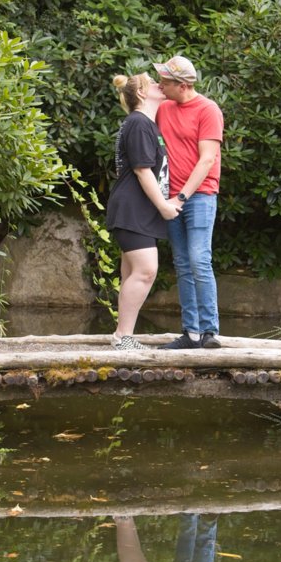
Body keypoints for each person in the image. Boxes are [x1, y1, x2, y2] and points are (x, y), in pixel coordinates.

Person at [106, 73, 182, 351]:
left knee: (132, 273)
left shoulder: (147, 124)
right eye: (151, 83)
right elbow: (141, 169)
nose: (159, 85)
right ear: (141, 94)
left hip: (137, 211)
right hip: (132, 209)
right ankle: (122, 337)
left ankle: (123, 335)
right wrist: (163, 206)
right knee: (146, 270)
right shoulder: (138, 123)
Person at [153, 55, 224, 350]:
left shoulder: (208, 110)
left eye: (165, 81)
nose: (160, 85)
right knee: (182, 263)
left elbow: (207, 159)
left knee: (199, 259)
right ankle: (191, 333)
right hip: (171, 197)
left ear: (182, 85)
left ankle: (210, 332)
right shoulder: (164, 108)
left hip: (199, 196)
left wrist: (182, 197)